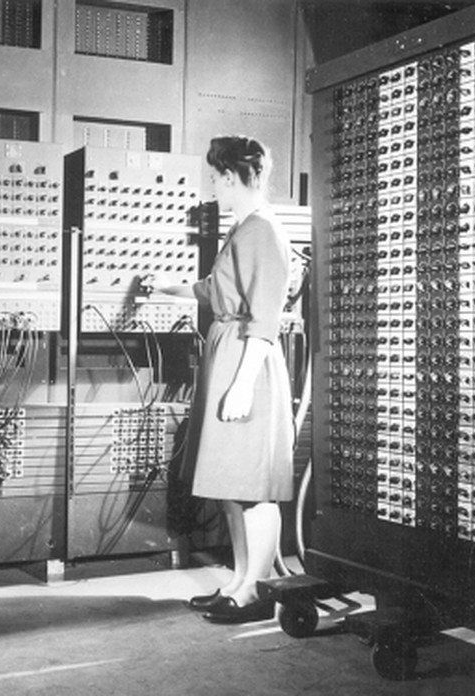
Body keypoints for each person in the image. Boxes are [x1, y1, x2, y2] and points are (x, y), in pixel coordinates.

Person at [161, 136, 294, 624]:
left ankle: (256, 590)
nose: (214, 187)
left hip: (247, 364)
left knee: (251, 485)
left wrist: (240, 386)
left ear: (239, 179)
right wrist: (165, 287)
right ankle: (241, 580)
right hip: (228, 355)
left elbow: (264, 318)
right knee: (230, 481)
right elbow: (213, 289)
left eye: (219, 178)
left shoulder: (262, 231)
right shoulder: (242, 230)